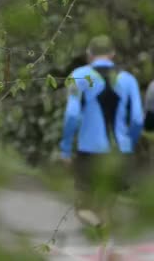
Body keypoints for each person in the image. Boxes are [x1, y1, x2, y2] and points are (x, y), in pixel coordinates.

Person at [60, 35, 143, 228]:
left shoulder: (79, 75)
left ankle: (102, 234)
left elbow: (72, 115)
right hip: (119, 152)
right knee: (107, 207)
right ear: (112, 54)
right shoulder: (128, 80)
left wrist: (65, 149)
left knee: (84, 209)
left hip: (89, 151)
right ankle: (107, 244)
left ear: (89, 54)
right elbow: (138, 118)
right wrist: (129, 144)